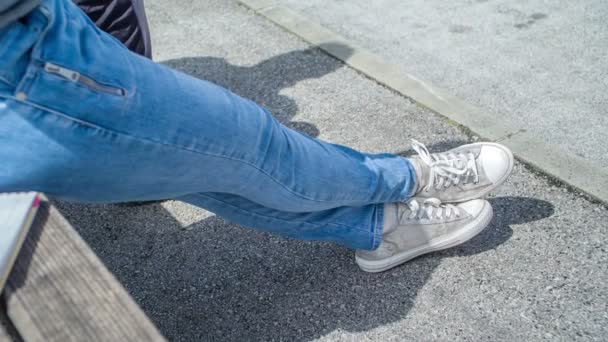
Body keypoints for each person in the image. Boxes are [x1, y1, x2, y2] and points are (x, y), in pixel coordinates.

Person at [0, 0, 514, 272]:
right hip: (29, 72)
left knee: (187, 170)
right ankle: (407, 178)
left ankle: (377, 229)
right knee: (252, 141)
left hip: (34, 45)